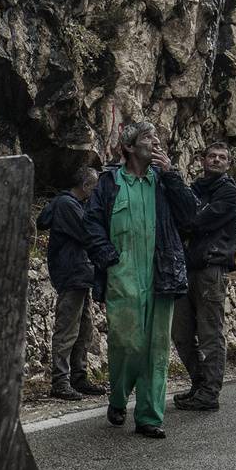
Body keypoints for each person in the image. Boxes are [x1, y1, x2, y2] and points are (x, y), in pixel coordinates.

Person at [85, 120, 199, 438]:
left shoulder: (164, 182)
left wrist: (172, 174)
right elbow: (91, 223)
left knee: (156, 348)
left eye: (157, 137)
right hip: (122, 276)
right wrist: (108, 258)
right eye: (148, 137)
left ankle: (149, 416)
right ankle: (119, 397)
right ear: (130, 147)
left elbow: (191, 217)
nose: (156, 142)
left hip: (161, 275)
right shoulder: (109, 183)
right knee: (127, 343)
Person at [172, 142, 236, 411]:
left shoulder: (228, 192)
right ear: (202, 160)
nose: (216, 160)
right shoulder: (196, 189)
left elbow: (196, 221)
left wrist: (187, 219)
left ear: (228, 164)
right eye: (212, 156)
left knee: (210, 332)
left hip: (212, 267)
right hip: (187, 267)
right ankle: (199, 384)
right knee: (181, 331)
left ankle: (210, 392)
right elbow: (185, 217)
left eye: (222, 157)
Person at [38, 165, 109, 401]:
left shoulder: (71, 204)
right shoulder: (68, 205)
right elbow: (88, 233)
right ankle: (61, 381)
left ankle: (79, 377)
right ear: (86, 186)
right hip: (72, 273)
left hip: (79, 274)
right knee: (67, 329)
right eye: (94, 187)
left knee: (84, 330)